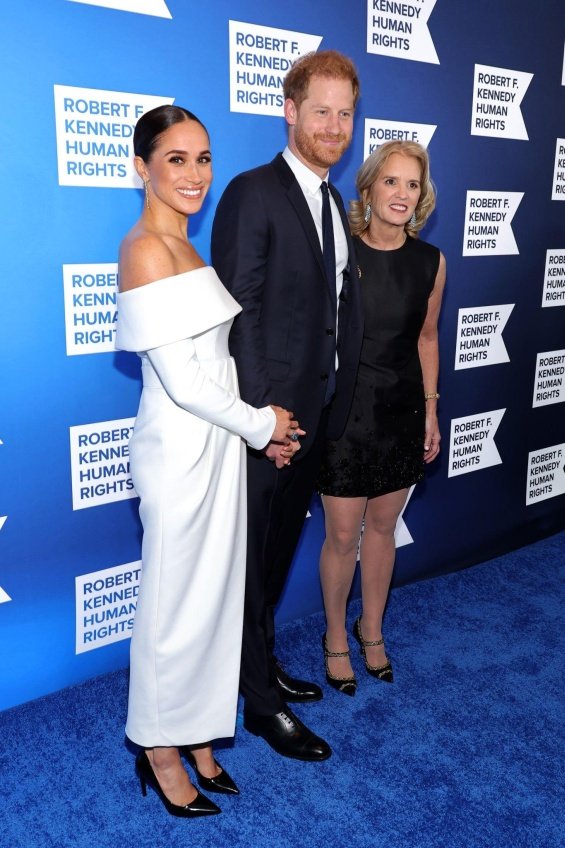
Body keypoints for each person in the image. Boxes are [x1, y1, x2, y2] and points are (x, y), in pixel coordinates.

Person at [115, 105, 302, 818]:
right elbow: (183, 381)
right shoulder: (145, 249)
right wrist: (263, 424)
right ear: (142, 167)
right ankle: (158, 747)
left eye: (203, 158)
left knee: (213, 603)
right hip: (180, 451)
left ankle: (194, 731)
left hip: (219, 445)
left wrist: (258, 431)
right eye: (175, 159)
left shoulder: (189, 247)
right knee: (172, 607)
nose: (194, 174)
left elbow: (215, 367)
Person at [211, 51, 363, 761]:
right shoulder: (253, 191)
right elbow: (237, 310)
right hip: (268, 424)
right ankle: (261, 709)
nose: (333, 126)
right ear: (290, 110)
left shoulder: (332, 202)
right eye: (320, 110)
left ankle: (256, 670)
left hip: (313, 418)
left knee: (272, 562)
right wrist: (264, 418)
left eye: (344, 113)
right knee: (248, 563)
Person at [317, 140, 446, 695]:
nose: (401, 193)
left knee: (384, 531)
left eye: (411, 184)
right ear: (367, 189)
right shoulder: (339, 254)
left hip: (402, 410)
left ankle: (371, 631)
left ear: (422, 196)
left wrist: (431, 413)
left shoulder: (431, 262)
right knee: (342, 535)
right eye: (390, 182)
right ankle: (334, 638)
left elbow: (427, 337)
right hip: (346, 413)